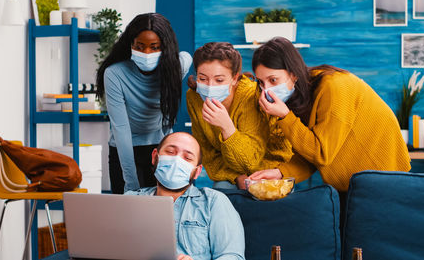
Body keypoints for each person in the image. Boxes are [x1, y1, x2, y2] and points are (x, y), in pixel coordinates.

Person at [248, 37, 411, 194]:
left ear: (294, 74)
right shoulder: (300, 96)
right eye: (262, 83)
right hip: (355, 185)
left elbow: (321, 154)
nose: (267, 90)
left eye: (273, 80)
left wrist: (285, 117)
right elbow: (309, 152)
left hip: (384, 181)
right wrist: (280, 173)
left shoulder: (334, 87)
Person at [95, 13, 192, 193]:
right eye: (140, 47)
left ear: (165, 47)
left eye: (154, 47)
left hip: (159, 148)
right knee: (126, 213)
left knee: (159, 211)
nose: (146, 53)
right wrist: (130, 184)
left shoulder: (174, 67)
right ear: (130, 45)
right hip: (124, 149)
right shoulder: (115, 74)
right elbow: (121, 129)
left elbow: (187, 57)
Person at [186, 42, 293, 190]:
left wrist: (227, 127)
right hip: (230, 173)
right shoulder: (194, 98)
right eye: (203, 79)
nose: (210, 87)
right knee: (221, 191)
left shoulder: (250, 96)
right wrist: (236, 177)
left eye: (219, 80)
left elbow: (251, 161)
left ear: (235, 78)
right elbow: (207, 152)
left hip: (270, 169)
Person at [126, 132, 245, 260]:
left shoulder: (213, 202)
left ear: (197, 171)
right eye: (170, 152)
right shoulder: (129, 201)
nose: (177, 160)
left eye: (187, 158)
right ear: (155, 156)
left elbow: (232, 256)